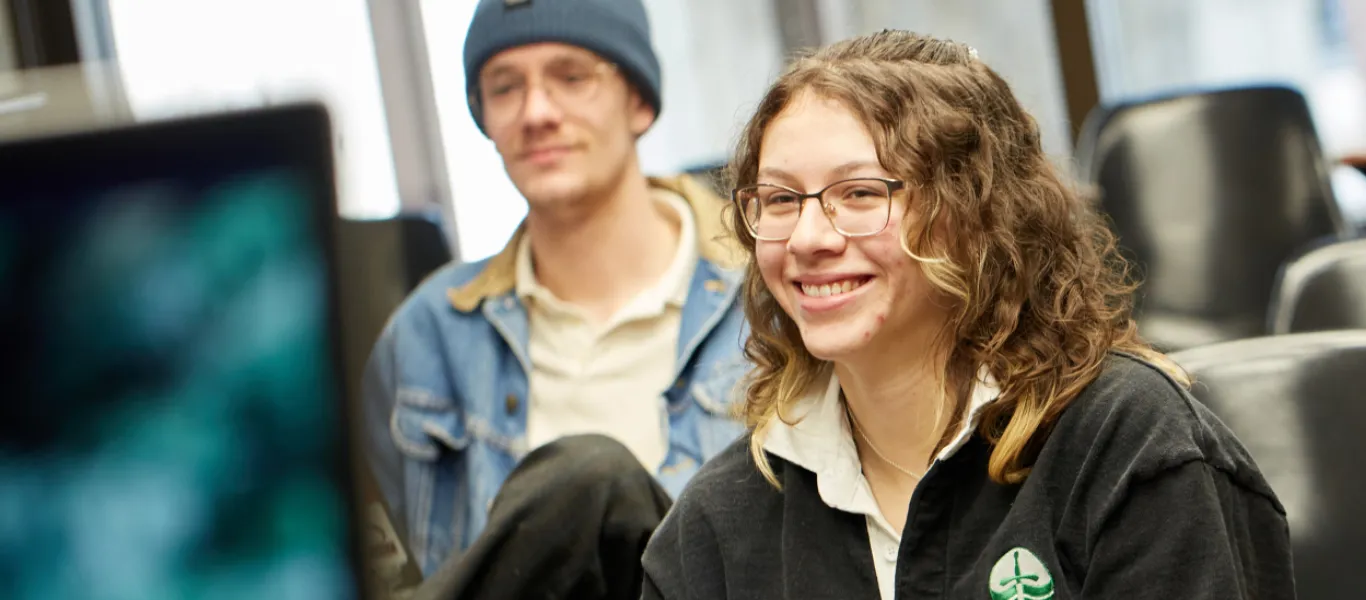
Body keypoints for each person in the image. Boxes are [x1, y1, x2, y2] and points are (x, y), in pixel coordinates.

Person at [637, 30, 1297, 600]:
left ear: (975, 217)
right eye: (780, 199)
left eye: (860, 192)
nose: (808, 237)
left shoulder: (1127, 446)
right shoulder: (716, 527)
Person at [357, 0, 752, 592]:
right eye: (505, 87)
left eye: (572, 77)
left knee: (595, 480)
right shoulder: (429, 333)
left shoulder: (769, 292)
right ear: (484, 118)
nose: (536, 113)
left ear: (638, 102)